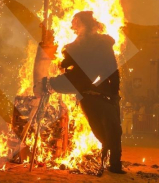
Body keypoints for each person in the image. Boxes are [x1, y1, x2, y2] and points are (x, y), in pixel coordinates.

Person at [46, 11, 126, 174]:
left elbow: (112, 70)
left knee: (114, 131)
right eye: (75, 23)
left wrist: (114, 92)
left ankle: (115, 165)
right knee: (102, 131)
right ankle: (111, 161)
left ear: (87, 24)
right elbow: (73, 74)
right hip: (88, 95)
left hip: (105, 94)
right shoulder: (76, 46)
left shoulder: (103, 43)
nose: (75, 27)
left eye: (78, 23)